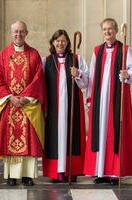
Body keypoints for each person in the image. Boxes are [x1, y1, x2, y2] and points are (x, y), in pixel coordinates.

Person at [83, 18, 132, 185]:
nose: (107, 32)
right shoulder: (97, 51)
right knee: (100, 134)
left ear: (116, 31)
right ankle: (101, 171)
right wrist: (89, 99)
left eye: (110, 29)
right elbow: (92, 78)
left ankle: (116, 173)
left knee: (115, 134)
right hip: (100, 101)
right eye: (104, 29)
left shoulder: (125, 50)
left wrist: (127, 75)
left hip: (117, 102)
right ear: (102, 32)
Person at [0, 20, 46, 186]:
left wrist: (25, 98)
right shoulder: (3, 54)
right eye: (16, 31)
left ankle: (28, 175)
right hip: (9, 104)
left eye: (21, 31)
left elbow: (38, 79)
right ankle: (11, 176)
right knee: (9, 137)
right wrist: (10, 97)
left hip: (28, 105)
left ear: (26, 33)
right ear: (11, 33)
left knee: (29, 140)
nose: (18, 34)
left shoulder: (34, 54)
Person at [42, 29, 88, 183]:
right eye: (57, 40)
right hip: (53, 108)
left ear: (68, 42)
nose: (60, 43)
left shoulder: (77, 59)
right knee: (53, 138)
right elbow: (39, 83)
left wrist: (78, 74)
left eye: (63, 40)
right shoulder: (46, 61)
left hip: (71, 106)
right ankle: (56, 172)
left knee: (72, 136)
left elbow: (87, 82)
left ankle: (71, 171)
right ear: (53, 42)